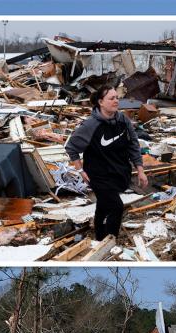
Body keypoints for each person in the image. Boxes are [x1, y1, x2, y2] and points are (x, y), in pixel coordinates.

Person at [65, 85, 148, 241]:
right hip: (98, 175)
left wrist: (140, 170)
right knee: (116, 206)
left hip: (118, 172)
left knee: (103, 206)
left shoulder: (123, 119)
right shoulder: (90, 125)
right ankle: (110, 242)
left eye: (117, 97)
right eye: (111, 98)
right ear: (100, 102)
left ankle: (99, 238)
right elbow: (71, 147)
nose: (116, 101)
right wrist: (80, 170)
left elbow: (133, 144)